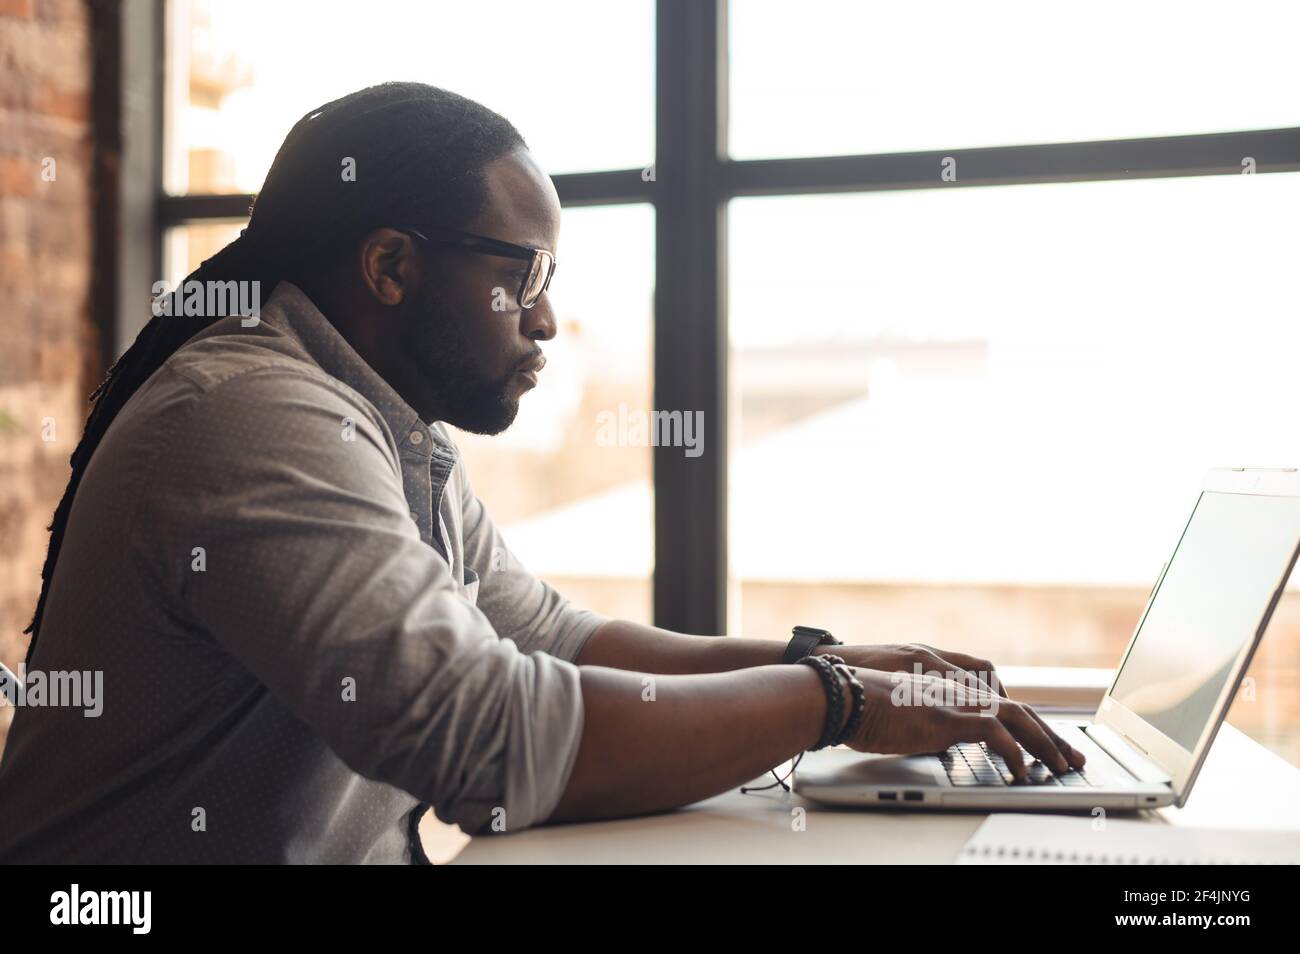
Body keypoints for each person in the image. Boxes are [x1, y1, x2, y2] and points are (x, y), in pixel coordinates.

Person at [0, 82, 1082, 863]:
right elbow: (491, 744)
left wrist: (827, 659)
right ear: (390, 267)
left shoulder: (385, 425)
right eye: (523, 275)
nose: (550, 319)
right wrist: (835, 703)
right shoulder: (258, 417)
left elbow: (555, 638)